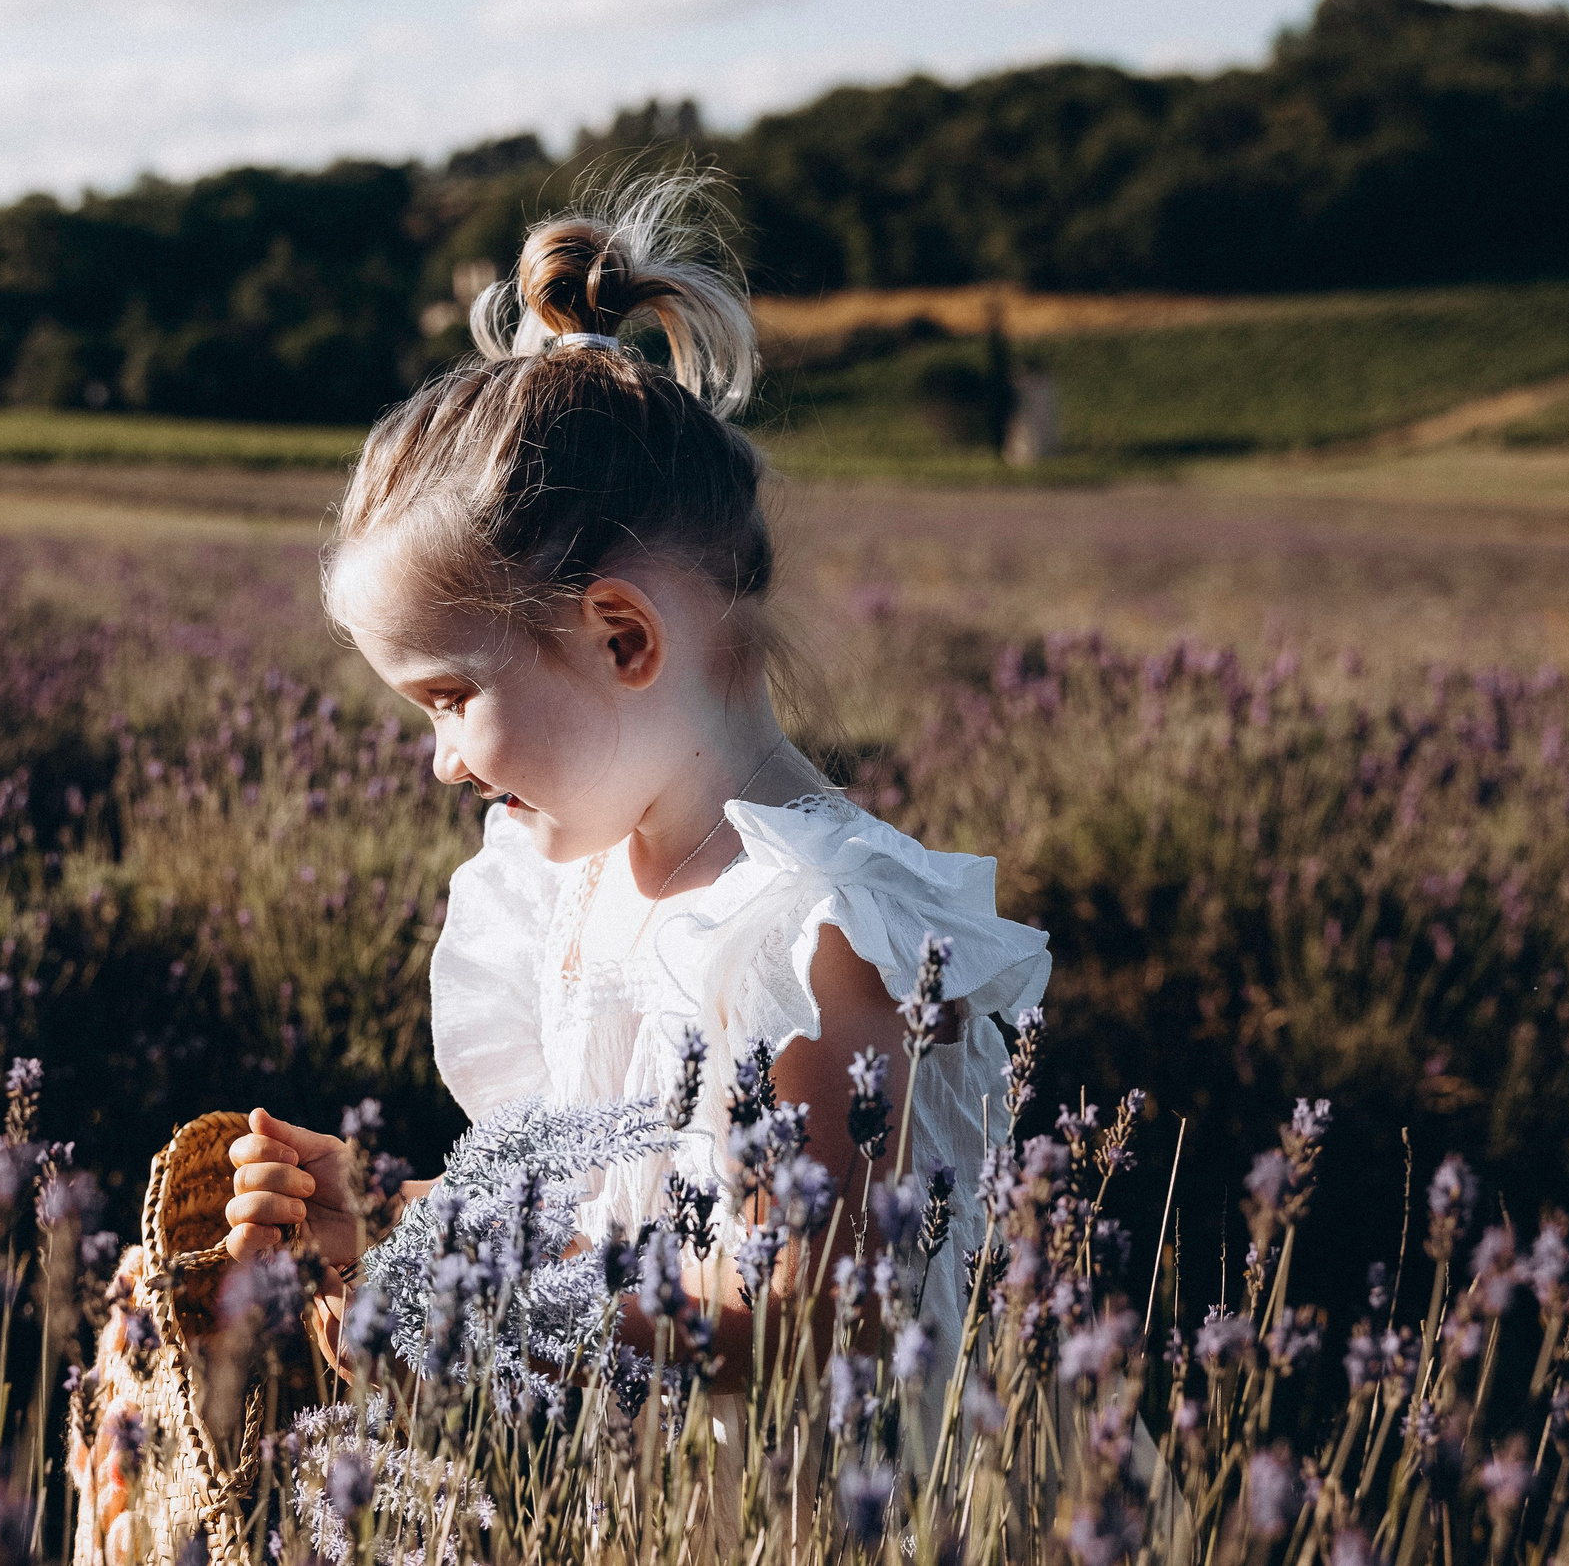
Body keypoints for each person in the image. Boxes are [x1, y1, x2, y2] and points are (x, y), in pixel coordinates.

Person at [218, 173, 1051, 1410]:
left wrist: (468, 1313)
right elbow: (588, 1210)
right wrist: (387, 1225)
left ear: (621, 640)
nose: (443, 761)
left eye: (451, 699)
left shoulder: (814, 933)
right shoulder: (574, 890)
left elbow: (794, 1326)